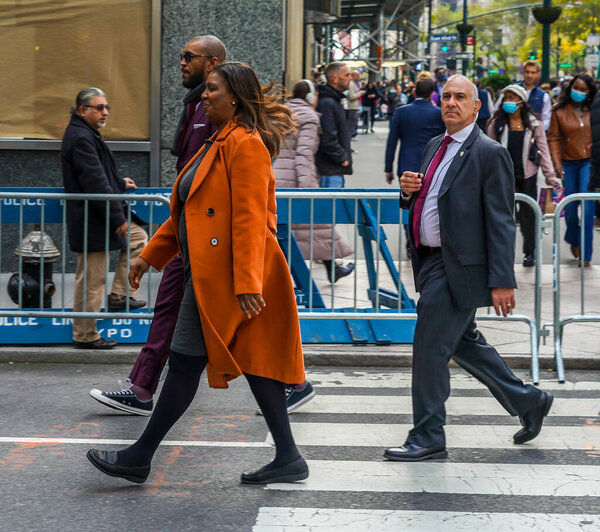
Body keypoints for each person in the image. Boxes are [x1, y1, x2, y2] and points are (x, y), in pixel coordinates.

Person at [87, 61, 309, 486]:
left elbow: (248, 220)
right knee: (257, 364)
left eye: (212, 89)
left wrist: (246, 282)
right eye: (206, 89)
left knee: (186, 360)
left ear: (235, 97)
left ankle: (139, 456)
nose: (204, 96)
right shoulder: (219, 140)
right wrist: (148, 256)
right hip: (213, 272)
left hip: (232, 276)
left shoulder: (245, 144)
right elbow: (190, 212)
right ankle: (288, 456)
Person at [384, 75, 553, 462]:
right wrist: (407, 192)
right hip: (430, 262)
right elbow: (428, 203)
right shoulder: (434, 145)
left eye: (461, 97)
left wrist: (502, 280)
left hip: (460, 266)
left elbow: (499, 221)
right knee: (463, 343)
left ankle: (428, 434)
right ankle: (529, 400)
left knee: (429, 348)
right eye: (446, 96)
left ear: (477, 107)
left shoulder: (488, 152)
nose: (451, 103)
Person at [89, 35, 225, 413]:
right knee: (173, 310)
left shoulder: (218, 114)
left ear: (212, 63)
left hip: (208, 237)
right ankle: (143, 387)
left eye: (188, 56)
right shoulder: (196, 107)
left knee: (241, 318)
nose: (181, 62)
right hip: (192, 232)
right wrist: (153, 252)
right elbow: (187, 188)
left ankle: (293, 383)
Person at [61, 87, 148, 350]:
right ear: (82, 110)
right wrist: (116, 217)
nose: (105, 112)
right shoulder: (80, 137)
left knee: (138, 239)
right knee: (91, 278)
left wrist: (120, 183)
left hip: (97, 216)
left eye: (107, 107)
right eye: (99, 107)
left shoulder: (85, 134)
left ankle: (120, 295)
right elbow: (94, 181)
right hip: (93, 219)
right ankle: (85, 335)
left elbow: (98, 175)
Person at [273, 80, 355, 284]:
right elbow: (303, 154)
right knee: (316, 223)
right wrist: (309, 189)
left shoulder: (283, 113)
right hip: (295, 179)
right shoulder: (308, 117)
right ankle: (329, 269)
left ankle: (329, 268)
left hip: (277, 177)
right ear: (311, 97)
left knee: (293, 229)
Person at [488, 84, 561, 267]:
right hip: (503, 177)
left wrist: (550, 176)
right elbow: (486, 152)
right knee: (504, 218)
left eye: (512, 98)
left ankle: (530, 252)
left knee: (528, 216)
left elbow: (544, 152)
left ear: (521, 102)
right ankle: (504, 255)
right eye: (506, 98)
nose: (508, 102)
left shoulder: (534, 124)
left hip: (527, 175)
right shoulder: (496, 124)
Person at [548, 73, 597, 267]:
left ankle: (586, 256)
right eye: (577, 88)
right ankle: (573, 240)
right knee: (569, 210)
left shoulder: (594, 109)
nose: (580, 92)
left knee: (587, 207)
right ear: (571, 88)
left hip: (589, 163)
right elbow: (552, 138)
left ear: (589, 92)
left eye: (584, 90)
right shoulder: (559, 111)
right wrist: (556, 162)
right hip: (568, 163)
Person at [385, 77, 445, 185]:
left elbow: (392, 143)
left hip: (407, 166)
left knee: (407, 200)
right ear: (432, 94)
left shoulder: (401, 112)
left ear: (414, 92)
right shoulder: (439, 114)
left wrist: (388, 168)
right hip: (432, 167)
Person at [316, 62, 352, 188]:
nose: (350, 78)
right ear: (335, 78)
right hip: (330, 169)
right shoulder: (327, 103)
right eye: (347, 75)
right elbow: (328, 136)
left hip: (333, 168)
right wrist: (342, 157)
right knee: (330, 206)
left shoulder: (334, 100)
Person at [493, 61, 552, 130]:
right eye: (527, 72)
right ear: (523, 72)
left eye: (533, 72)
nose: (529, 75)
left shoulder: (544, 96)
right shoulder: (510, 91)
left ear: (538, 74)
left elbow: (547, 119)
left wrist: (536, 130)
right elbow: (496, 111)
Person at [346, 71, 365, 138]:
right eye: (358, 76)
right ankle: (349, 138)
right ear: (354, 76)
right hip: (351, 107)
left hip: (353, 107)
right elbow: (351, 96)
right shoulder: (351, 84)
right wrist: (360, 93)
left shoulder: (354, 84)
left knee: (353, 124)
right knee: (351, 124)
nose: (359, 78)